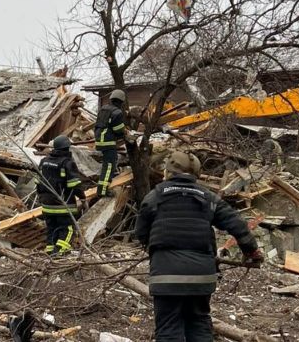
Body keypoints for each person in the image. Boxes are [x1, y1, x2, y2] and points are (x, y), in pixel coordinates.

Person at [135, 151, 264, 341]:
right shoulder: (209, 197)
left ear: (167, 172)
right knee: (199, 323)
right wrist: (251, 251)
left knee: (169, 327)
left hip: (166, 275)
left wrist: (153, 248)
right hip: (201, 276)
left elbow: (141, 233)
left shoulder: (155, 197)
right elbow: (237, 224)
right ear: (196, 175)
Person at [36, 135, 88, 255]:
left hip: (47, 205)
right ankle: (59, 254)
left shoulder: (44, 161)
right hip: (63, 205)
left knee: (51, 229)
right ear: (67, 148)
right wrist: (83, 198)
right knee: (68, 229)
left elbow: (38, 183)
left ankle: (50, 252)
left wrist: (42, 198)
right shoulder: (67, 163)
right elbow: (75, 185)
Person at [94, 89, 128, 197]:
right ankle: (103, 191)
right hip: (108, 142)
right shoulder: (117, 113)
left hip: (100, 140)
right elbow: (118, 129)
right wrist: (126, 133)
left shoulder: (103, 109)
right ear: (121, 101)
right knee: (109, 166)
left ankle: (102, 188)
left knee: (107, 165)